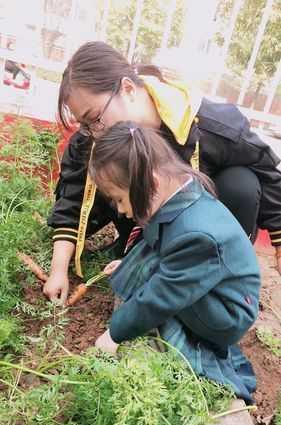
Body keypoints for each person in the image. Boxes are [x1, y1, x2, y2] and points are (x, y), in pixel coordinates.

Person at [44, 41, 281, 303]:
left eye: (96, 118)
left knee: (241, 183)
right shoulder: (95, 135)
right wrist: (58, 271)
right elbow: (72, 200)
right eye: (86, 125)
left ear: (128, 88)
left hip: (196, 233)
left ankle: (221, 279)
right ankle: (136, 255)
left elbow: (267, 172)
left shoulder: (210, 125)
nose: (95, 133)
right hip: (144, 234)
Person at [91, 121, 260, 402]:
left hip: (226, 313)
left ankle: (189, 349)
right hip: (210, 283)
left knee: (158, 305)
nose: (120, 210)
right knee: (147, 263)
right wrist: (130, 265)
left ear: (152, 184)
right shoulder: (180, 193)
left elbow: (160, 298)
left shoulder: (198, 235)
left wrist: (114, 334)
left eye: (120, 199)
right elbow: (159, 246)